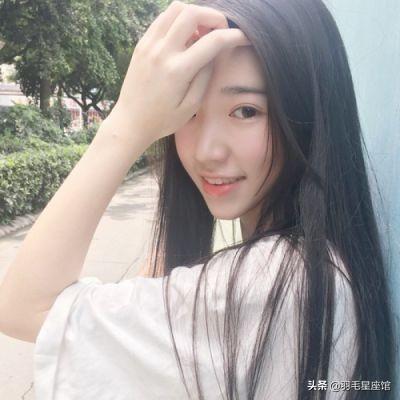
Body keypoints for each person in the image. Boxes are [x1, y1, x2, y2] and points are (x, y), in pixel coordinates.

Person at [0, 0, 395, 399]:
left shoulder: (270, 284)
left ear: (308, 113)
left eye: (246, 111)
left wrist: (127, 123)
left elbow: (26, 306)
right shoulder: (318, 265)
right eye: (188, 112)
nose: (206, 151)